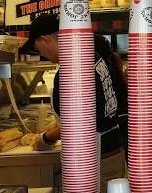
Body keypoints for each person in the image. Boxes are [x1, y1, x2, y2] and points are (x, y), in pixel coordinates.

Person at [20, 13, 127, 155]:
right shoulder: (91, 56)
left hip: (92, 158)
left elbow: (76, 125)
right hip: (112, 148)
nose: (41, 54)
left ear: (45, 40)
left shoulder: (71, 69)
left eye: (37, 48)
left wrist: (45, 138)